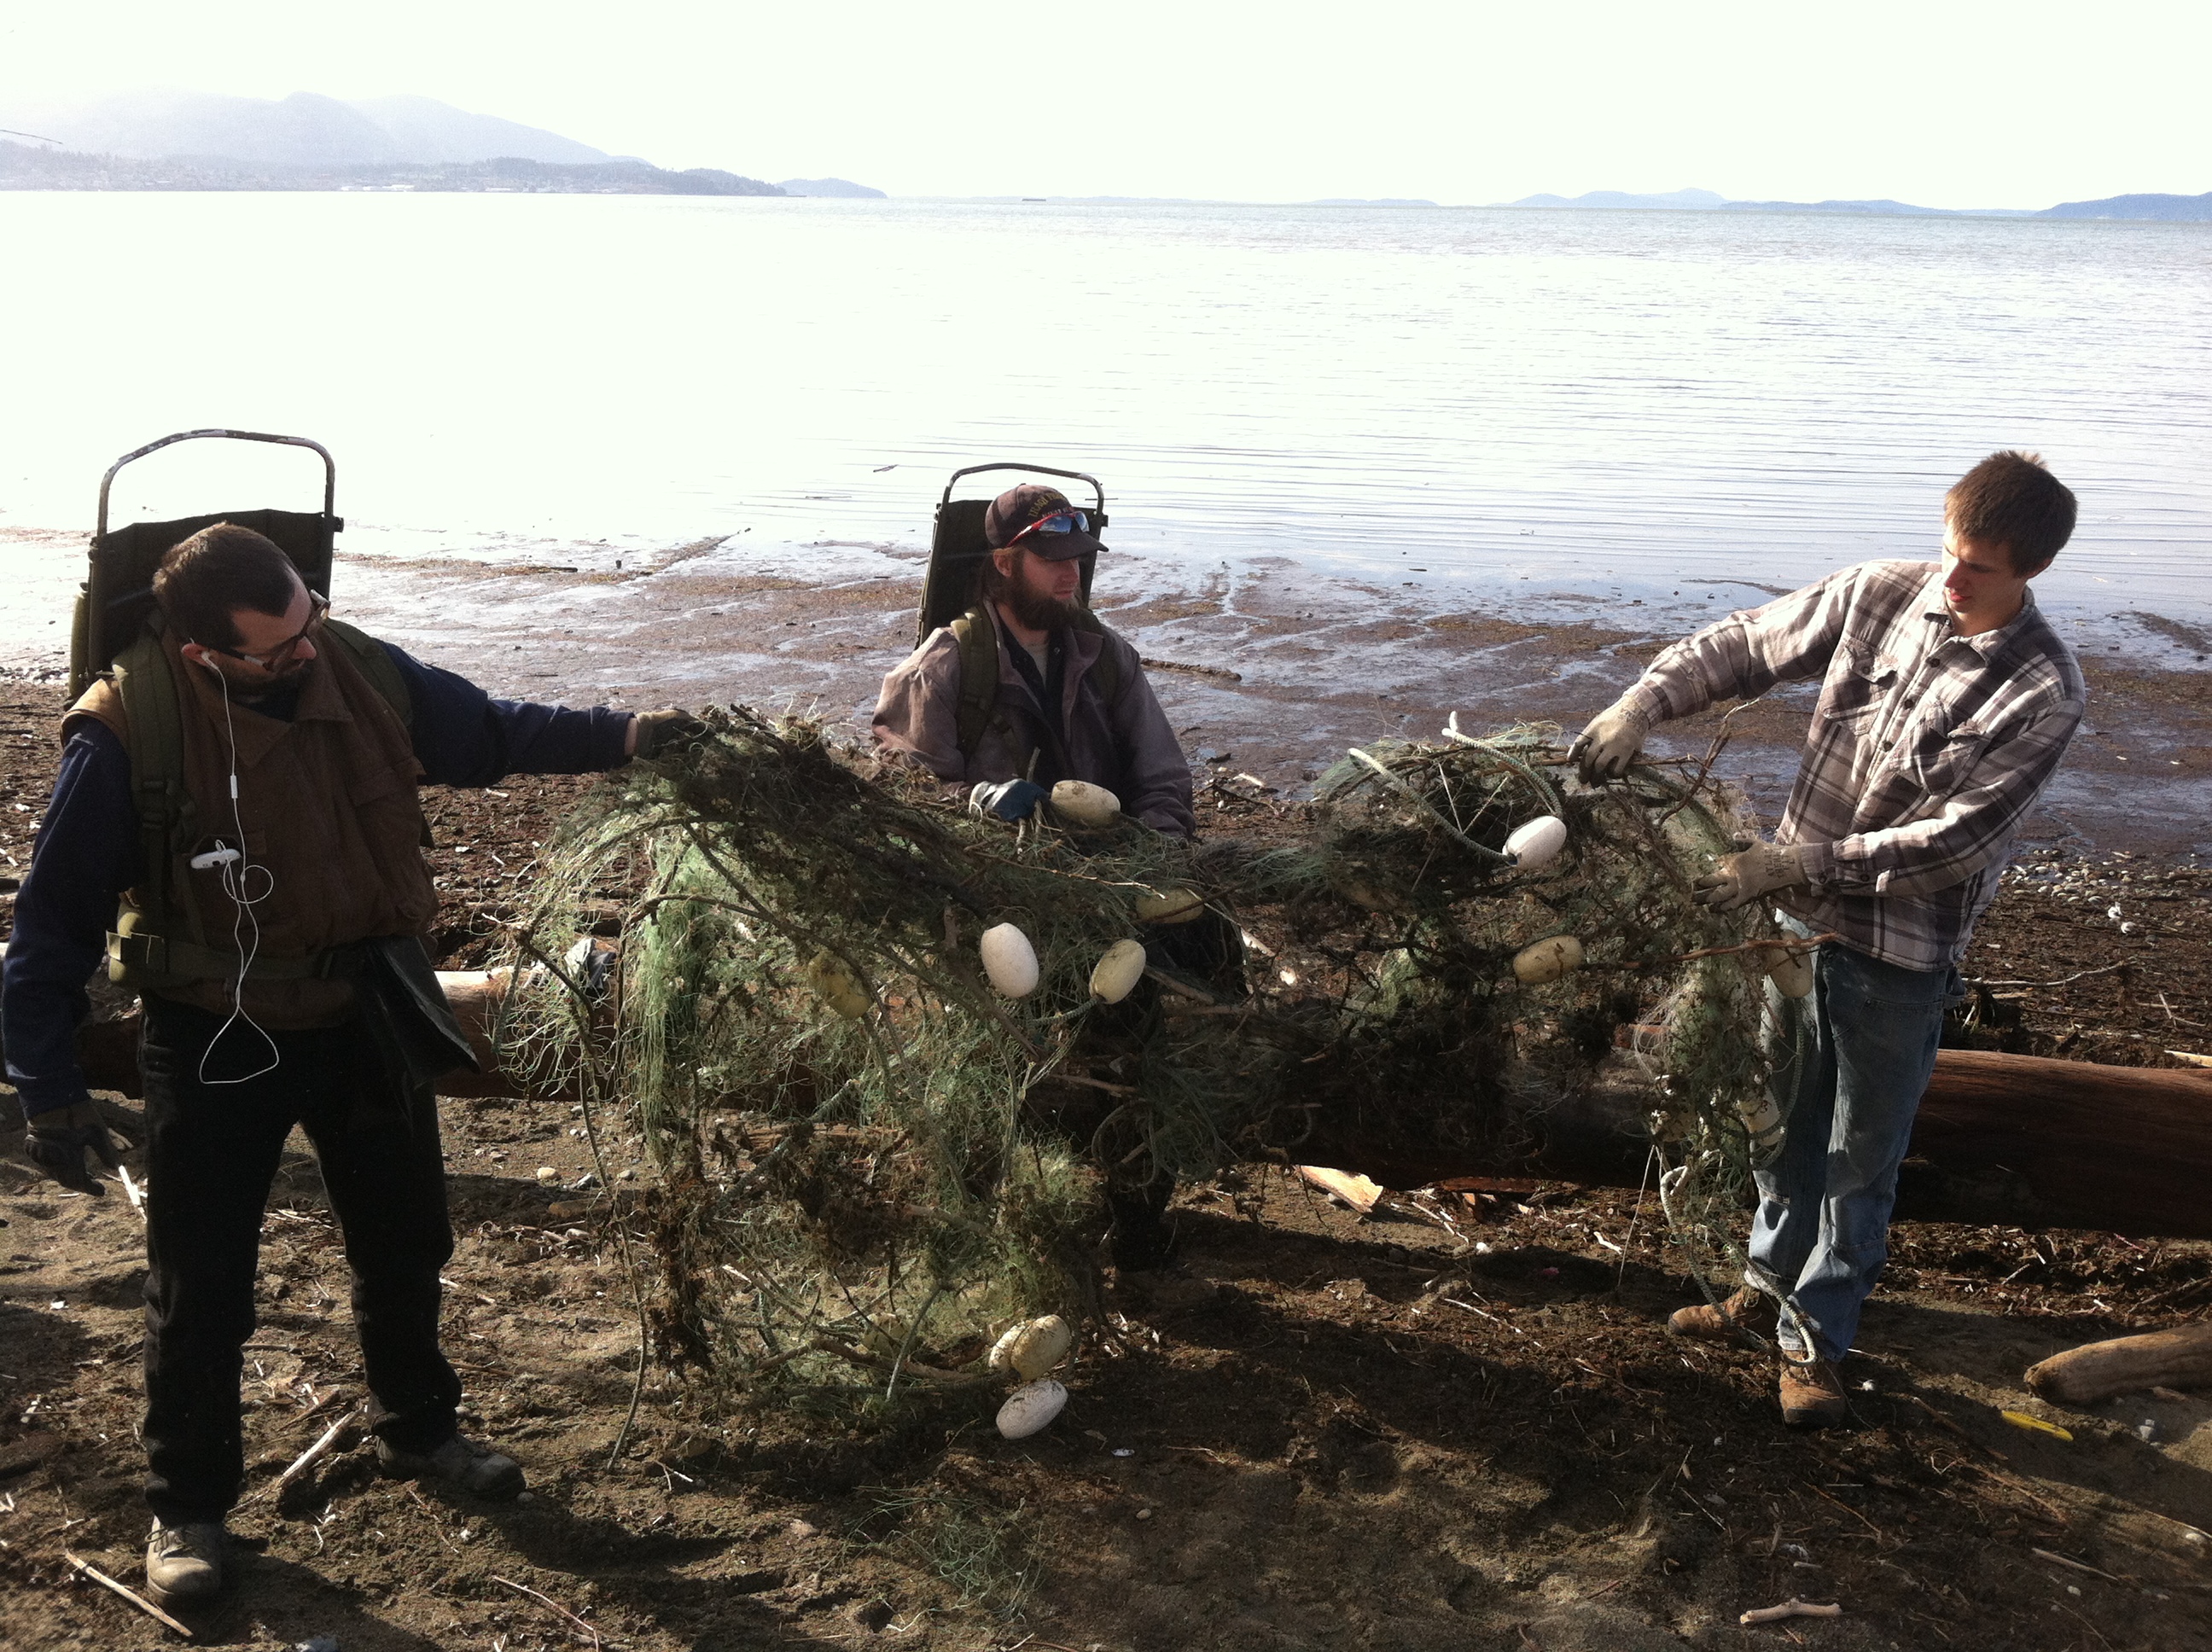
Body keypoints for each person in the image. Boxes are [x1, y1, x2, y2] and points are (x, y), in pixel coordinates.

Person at [3, 522, 700, 1607]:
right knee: (202, 1279)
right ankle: (186, 1503)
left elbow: (490, 731)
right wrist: (48, 1089)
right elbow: (51, 928)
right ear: (202, 656)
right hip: (215, 1028)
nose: (302, 657)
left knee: (406, 1235)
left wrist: (631, 735)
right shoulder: (125, 728)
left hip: (368, 1005)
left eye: (306, 627)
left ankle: (416, 1431)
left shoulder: (358, 666)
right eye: (274, 652)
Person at [1569, 451, 2086, 1428]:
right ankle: (1762, 1288)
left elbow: (1954, 841)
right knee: (1781, 1121)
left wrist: (1793, 865)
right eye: (1948, 552)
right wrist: (1642, 702)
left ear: (2030, 573)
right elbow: (1747, 644)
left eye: (1977, 568)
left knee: (1858, 1159)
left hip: (1898, 953)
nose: (1952, 579)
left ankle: (1815, 1342)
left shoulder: (2043, 690)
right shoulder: (1880, 593)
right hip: (1794, 936)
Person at [872, 483, 1196, 838]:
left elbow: (1163, 776)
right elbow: (907, 791)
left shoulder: (1104, 652)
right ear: (1004, 564)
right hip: (1000, 866)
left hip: (1111, 861)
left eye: (1076, 557)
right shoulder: (936, 670)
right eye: (1052, 560)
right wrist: (979, 799)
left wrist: (1159, 848)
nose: (1072, 575)